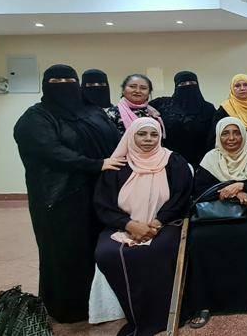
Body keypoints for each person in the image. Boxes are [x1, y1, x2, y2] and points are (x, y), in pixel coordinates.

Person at [13, 64, 122, 323]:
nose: (64, 88)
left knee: (102, 248)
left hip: (100, 194)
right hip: (61, 199)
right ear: (45, 86)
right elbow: (51, 151)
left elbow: (115, 140)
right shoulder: (35, 118)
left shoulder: (92, 112)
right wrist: (95, 164)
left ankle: (106, 305)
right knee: (66, 253)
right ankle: (70, 309)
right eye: (56, 82)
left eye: (69, 81)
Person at [93, 118, 192, 336]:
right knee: (107, 253)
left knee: (158, 250)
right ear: (131, 136)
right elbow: (103, 205)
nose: (148, 139)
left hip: (165, 223)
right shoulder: (117, 166)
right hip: (122, 224)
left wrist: (157, 222)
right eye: (142, 134)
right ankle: (137, 318)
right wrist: (129, 225)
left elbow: (181, 197)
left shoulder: (174, 161)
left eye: (154, 134)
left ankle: (165, 316)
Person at [185, 117, 247, 329]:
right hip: (214, 214)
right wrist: (235, 191)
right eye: (225, 133)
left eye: (236, 132)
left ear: (244, 135)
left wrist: (244, 186)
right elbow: (201, 191)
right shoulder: (210, 159)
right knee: (199, 239)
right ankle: (204, 303)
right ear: (218, 136)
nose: (231, 138)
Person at [150, 71, 216, 165]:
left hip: (203, 161)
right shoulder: (163, 104)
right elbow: (139, 104)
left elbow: (213, 136)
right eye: (182, 84)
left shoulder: (208, 108)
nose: (188, 86)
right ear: (176, 86)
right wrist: (150, 109)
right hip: (169, 161)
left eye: (192, 83)